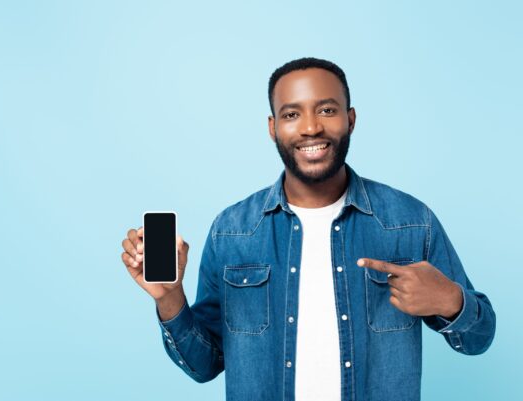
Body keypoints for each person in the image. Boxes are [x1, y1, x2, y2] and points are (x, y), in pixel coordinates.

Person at [120, 57, 496, 401]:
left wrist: (451, 301)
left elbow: (479, 339)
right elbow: (204, 366)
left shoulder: (410, 221)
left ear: (350, 119)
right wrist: (169, 298)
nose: (311, 127)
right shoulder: (232, 232)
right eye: (291, 115)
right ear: (273, 127)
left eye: (327, 110)